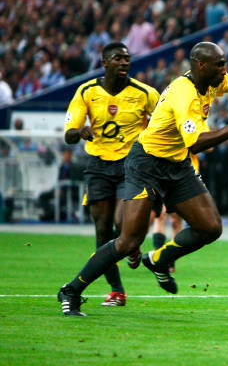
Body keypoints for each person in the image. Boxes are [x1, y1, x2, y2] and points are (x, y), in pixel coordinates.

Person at [58, 42, 228, 316]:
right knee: (129, 240)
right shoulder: (183, 94)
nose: (225, 70)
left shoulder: (214, 80)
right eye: (220, 65)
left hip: (177, 164)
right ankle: (72, 290)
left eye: (225, 64)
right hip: (147, 164)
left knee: (210, 227)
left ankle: (159, 259)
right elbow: (197, 142)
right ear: (201, 65)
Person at [62, 42, 159, 307]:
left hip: (131, 165)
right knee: (103, 231)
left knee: (121, 224)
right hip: (98, 166)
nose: (124, 62)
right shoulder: (87, 91)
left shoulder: (145, 93)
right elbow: (69, 134)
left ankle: (131, 244)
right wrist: (80, 131)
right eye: (118, 58)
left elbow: (165, 119)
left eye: (127, 58)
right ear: (104, 62)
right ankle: (117, 290)